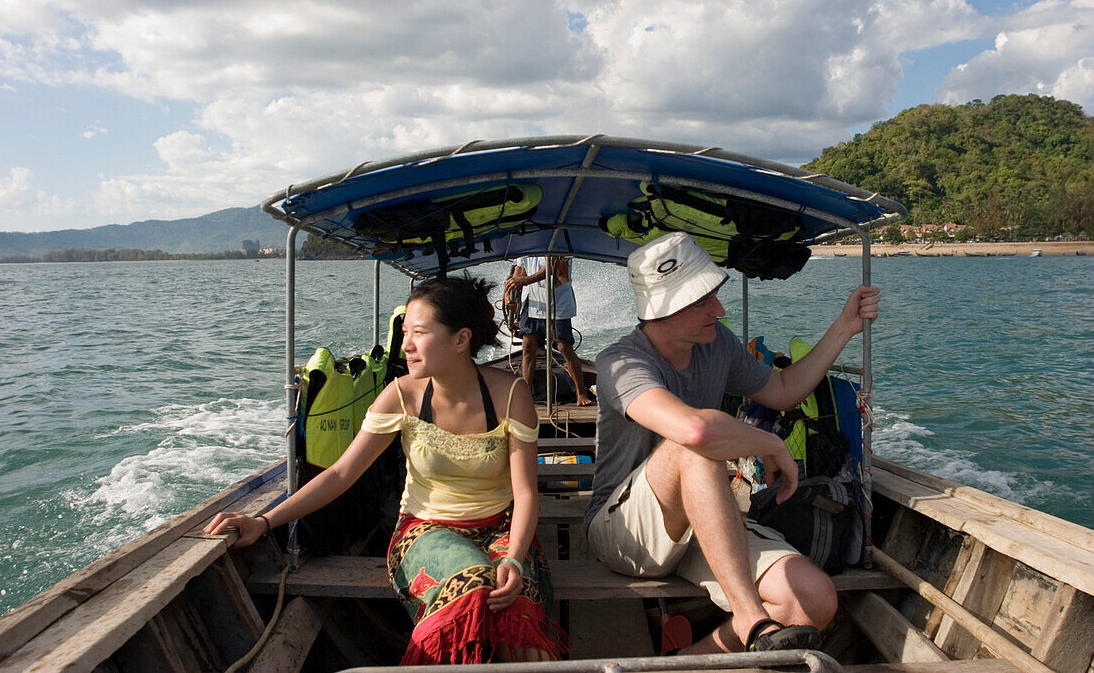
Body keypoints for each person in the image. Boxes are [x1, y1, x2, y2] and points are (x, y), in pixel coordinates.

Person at [205, 276, 566, 664]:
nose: (406, 344)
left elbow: (526, 493)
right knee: (473, 585)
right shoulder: (401, 395)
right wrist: (263, 521)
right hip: (426, 530)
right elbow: (341, 474)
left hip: (503, 530)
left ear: (461, 340)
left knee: (516, 610)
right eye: (405, 331)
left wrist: (513, 557)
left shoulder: (510, 394)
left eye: (419, 332)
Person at [585, 231, 880, 655]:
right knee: (695, 449)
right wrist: (770, 443)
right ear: (663, 310)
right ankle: (748, 615)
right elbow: (695, 432)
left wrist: (844, 327)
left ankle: (691, 660)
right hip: (625, 531)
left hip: (703, 517)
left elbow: (781, 390)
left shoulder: (716, 343)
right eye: (703, 301)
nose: (719, 310)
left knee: (813, 600)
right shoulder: (621, 362)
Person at [505, 256, 592, 406]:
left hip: (557, 301)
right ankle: (526, 394)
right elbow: (518, 274)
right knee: (528, 346)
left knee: (563, 347)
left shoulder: (557, 241)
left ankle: (581, 392)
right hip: (532, 302)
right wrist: (508, 296)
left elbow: (552, 268)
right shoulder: (526, 248)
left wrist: (524, 281)